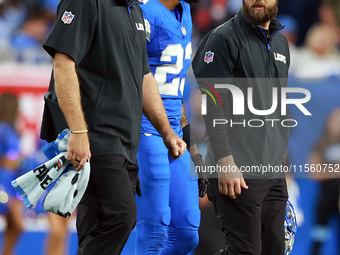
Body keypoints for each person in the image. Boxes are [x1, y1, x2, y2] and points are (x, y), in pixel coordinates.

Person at [40, 0, 186, 254]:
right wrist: (78, 131)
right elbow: (63, 63)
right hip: (96, 137)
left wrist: (167, 131)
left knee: (96, 226)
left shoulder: (136, 10)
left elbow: (144, 77)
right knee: (121, 215)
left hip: (126, 143)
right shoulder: (87, 3)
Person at [192, 0, 290, 254]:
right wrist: (225, 161)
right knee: (244, 251)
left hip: (272, 170)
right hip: (236, 167)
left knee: (275, 250)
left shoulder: (281, 43)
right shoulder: (223, 38)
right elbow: (212, 105)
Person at [134, 0, 206, 254]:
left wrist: (193, 148)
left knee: (187, 233)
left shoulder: (184, 11)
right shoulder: (143, 12)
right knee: (154, 232)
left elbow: (173, 92)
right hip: (145, 130)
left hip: (175, 135)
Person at [309, 108, 340, 255]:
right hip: (326, 198)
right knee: (319, 236)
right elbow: (314, 173)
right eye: (335, 120)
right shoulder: (320, 144)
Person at [0, 93, 24, 255]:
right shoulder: (4, 130)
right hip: (4, 184)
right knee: (17, 224)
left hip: (10, 184)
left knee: (14, 226)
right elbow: (9, 161)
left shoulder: (10, 130)